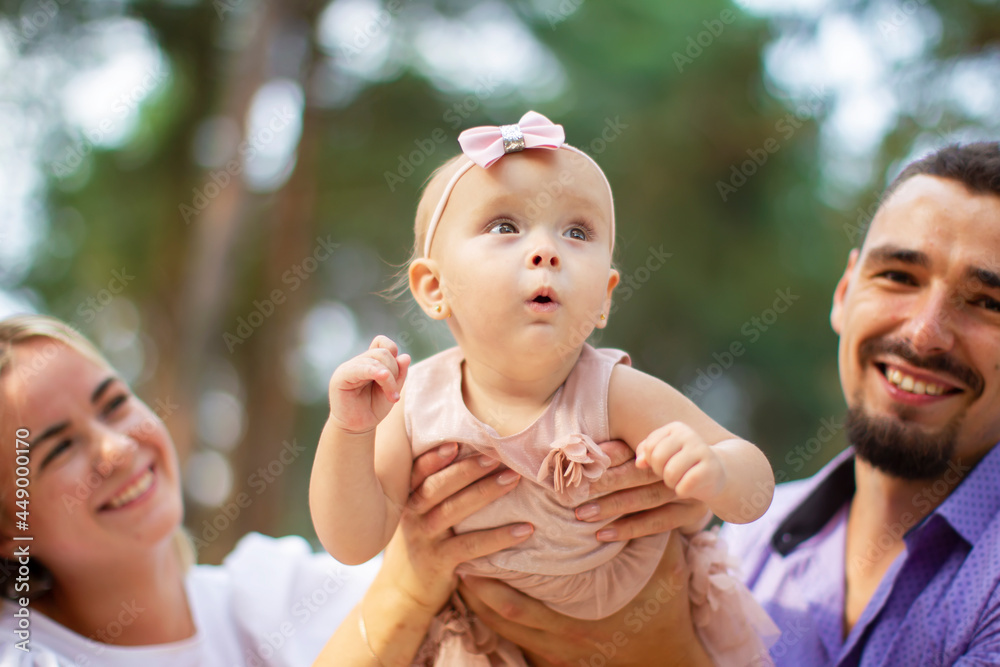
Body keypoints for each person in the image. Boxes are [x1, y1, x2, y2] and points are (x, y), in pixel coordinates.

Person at [309, 111, 779, 666]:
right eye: (505, 226)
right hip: (480, 648)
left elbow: (756, 487)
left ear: (604, 299)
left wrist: (717, 472)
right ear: (434, 288)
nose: (546, 250)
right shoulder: (417, 404)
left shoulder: (613, 393)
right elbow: (353, 541)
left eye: (576, 232)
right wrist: (350, 431)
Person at [0, 314, 700, 666]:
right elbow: (405, 586)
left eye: (115, 401)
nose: (118, 446)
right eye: (55, 447)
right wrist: (411, 580)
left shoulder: (263, 589)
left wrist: (631, 505)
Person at [714, 141, 1000, 665]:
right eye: (899, 277)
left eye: (988, 303)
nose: (924, 335)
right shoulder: (749, 533)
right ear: (846, 292)